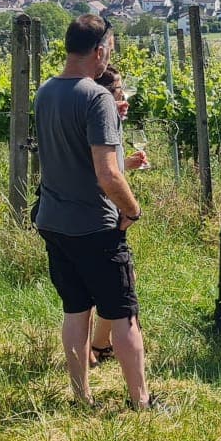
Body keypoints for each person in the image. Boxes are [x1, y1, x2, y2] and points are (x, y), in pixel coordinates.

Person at [32, 14, 158, 410]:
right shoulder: (97, 97)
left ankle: (81, 396)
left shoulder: (45, 92)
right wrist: (132, 209)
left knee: (75, 310)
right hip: (94, 225)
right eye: (111, 51)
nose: (109, 59)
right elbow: (107, 174)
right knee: (123, 314)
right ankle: (140, 401)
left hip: (53, 220)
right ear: (100, 50)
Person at [84, 64, 147, 369]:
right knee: (116, 286)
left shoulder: (105, 118)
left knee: (117, 281)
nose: (123, 97)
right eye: (118, 91)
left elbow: (107, 168)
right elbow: (101, 173)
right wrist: (133, 210)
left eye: (122, 91)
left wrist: (129, 165)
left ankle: (98, 345)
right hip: (101, 214)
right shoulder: (96, 115)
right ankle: (95, 347)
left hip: (102, 210)